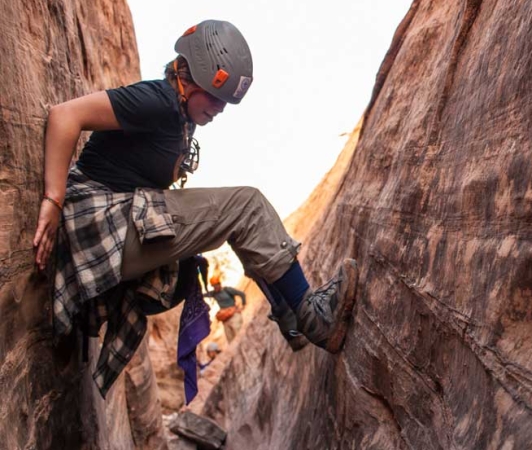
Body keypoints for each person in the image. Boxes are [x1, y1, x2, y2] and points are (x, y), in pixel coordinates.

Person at [32, 20, 359, 397]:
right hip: (96, 227)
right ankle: (313, 318)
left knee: (237, 220)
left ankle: (293, 319)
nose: (220, 109)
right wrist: (53, 200)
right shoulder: (157, 100)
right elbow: (64, 116)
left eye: (225, 101)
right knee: (247, 206)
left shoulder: (182, 117)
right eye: (215, 96)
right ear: (188, 76)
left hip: (113, 228)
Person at [205, 275, 246, 343]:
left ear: (219, 284)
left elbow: (241, 294)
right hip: (225, 319)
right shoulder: (214, 294)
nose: (215, 287)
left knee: (240, 336)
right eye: (213, 286)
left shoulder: (227, 290)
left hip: (234, 315)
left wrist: (243, 305)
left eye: (216, 285)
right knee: (231, 341)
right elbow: (204, 295)